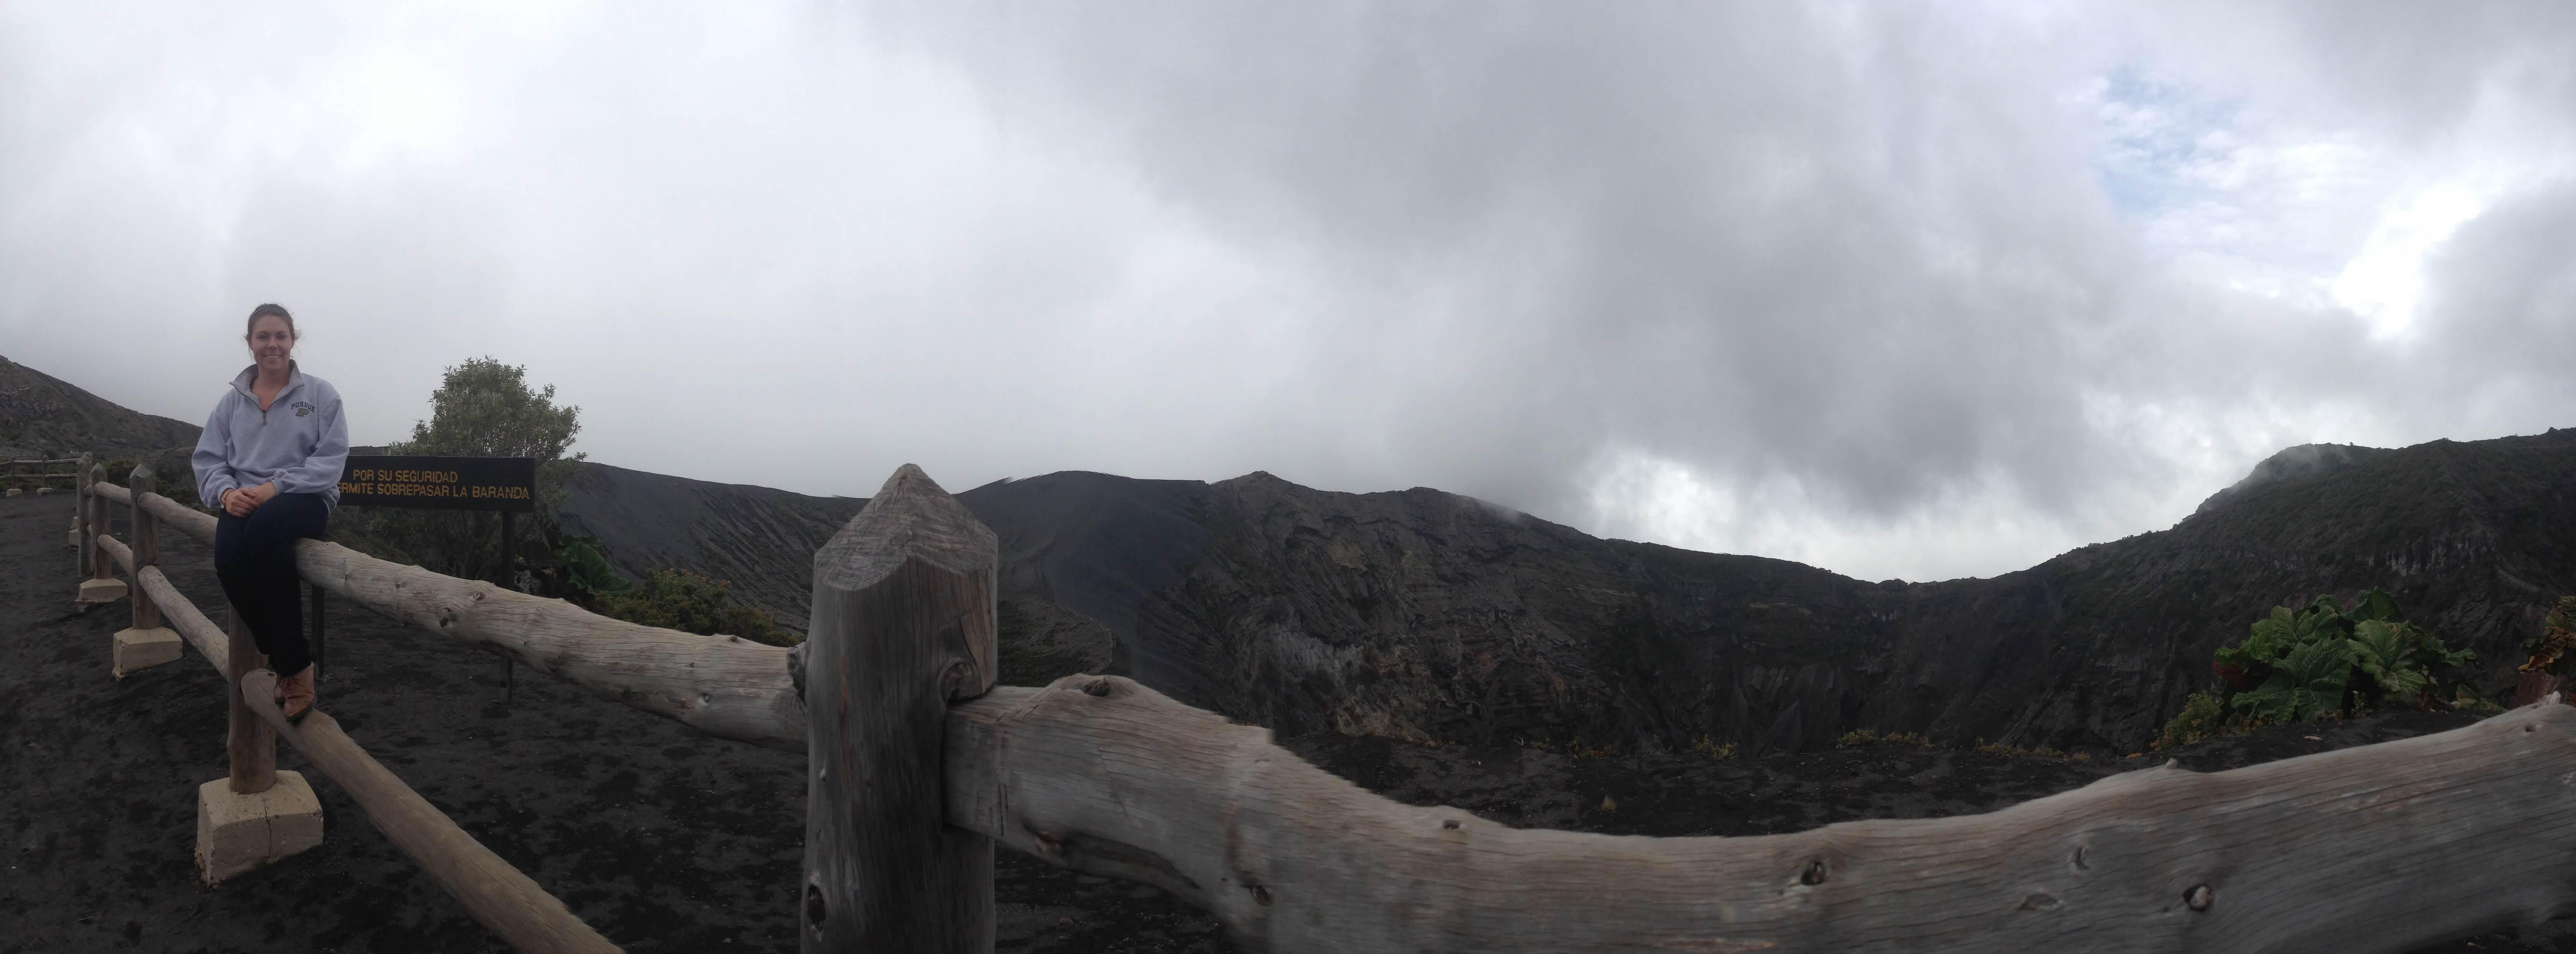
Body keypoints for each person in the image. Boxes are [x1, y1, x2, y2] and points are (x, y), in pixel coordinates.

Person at [192, 304, 349, 722]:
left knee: (264, 532)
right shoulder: (230, 404)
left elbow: (331, 462)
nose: (272, 344)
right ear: (250, 344)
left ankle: (296, 669)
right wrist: (226, 494)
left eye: (280, 335)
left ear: (293, 340)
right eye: (263, 337)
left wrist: (275, 487)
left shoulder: (321, 395)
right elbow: (207, 460)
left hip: (306, 497)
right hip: (244, 499)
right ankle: (282, 656)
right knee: (228, 560)